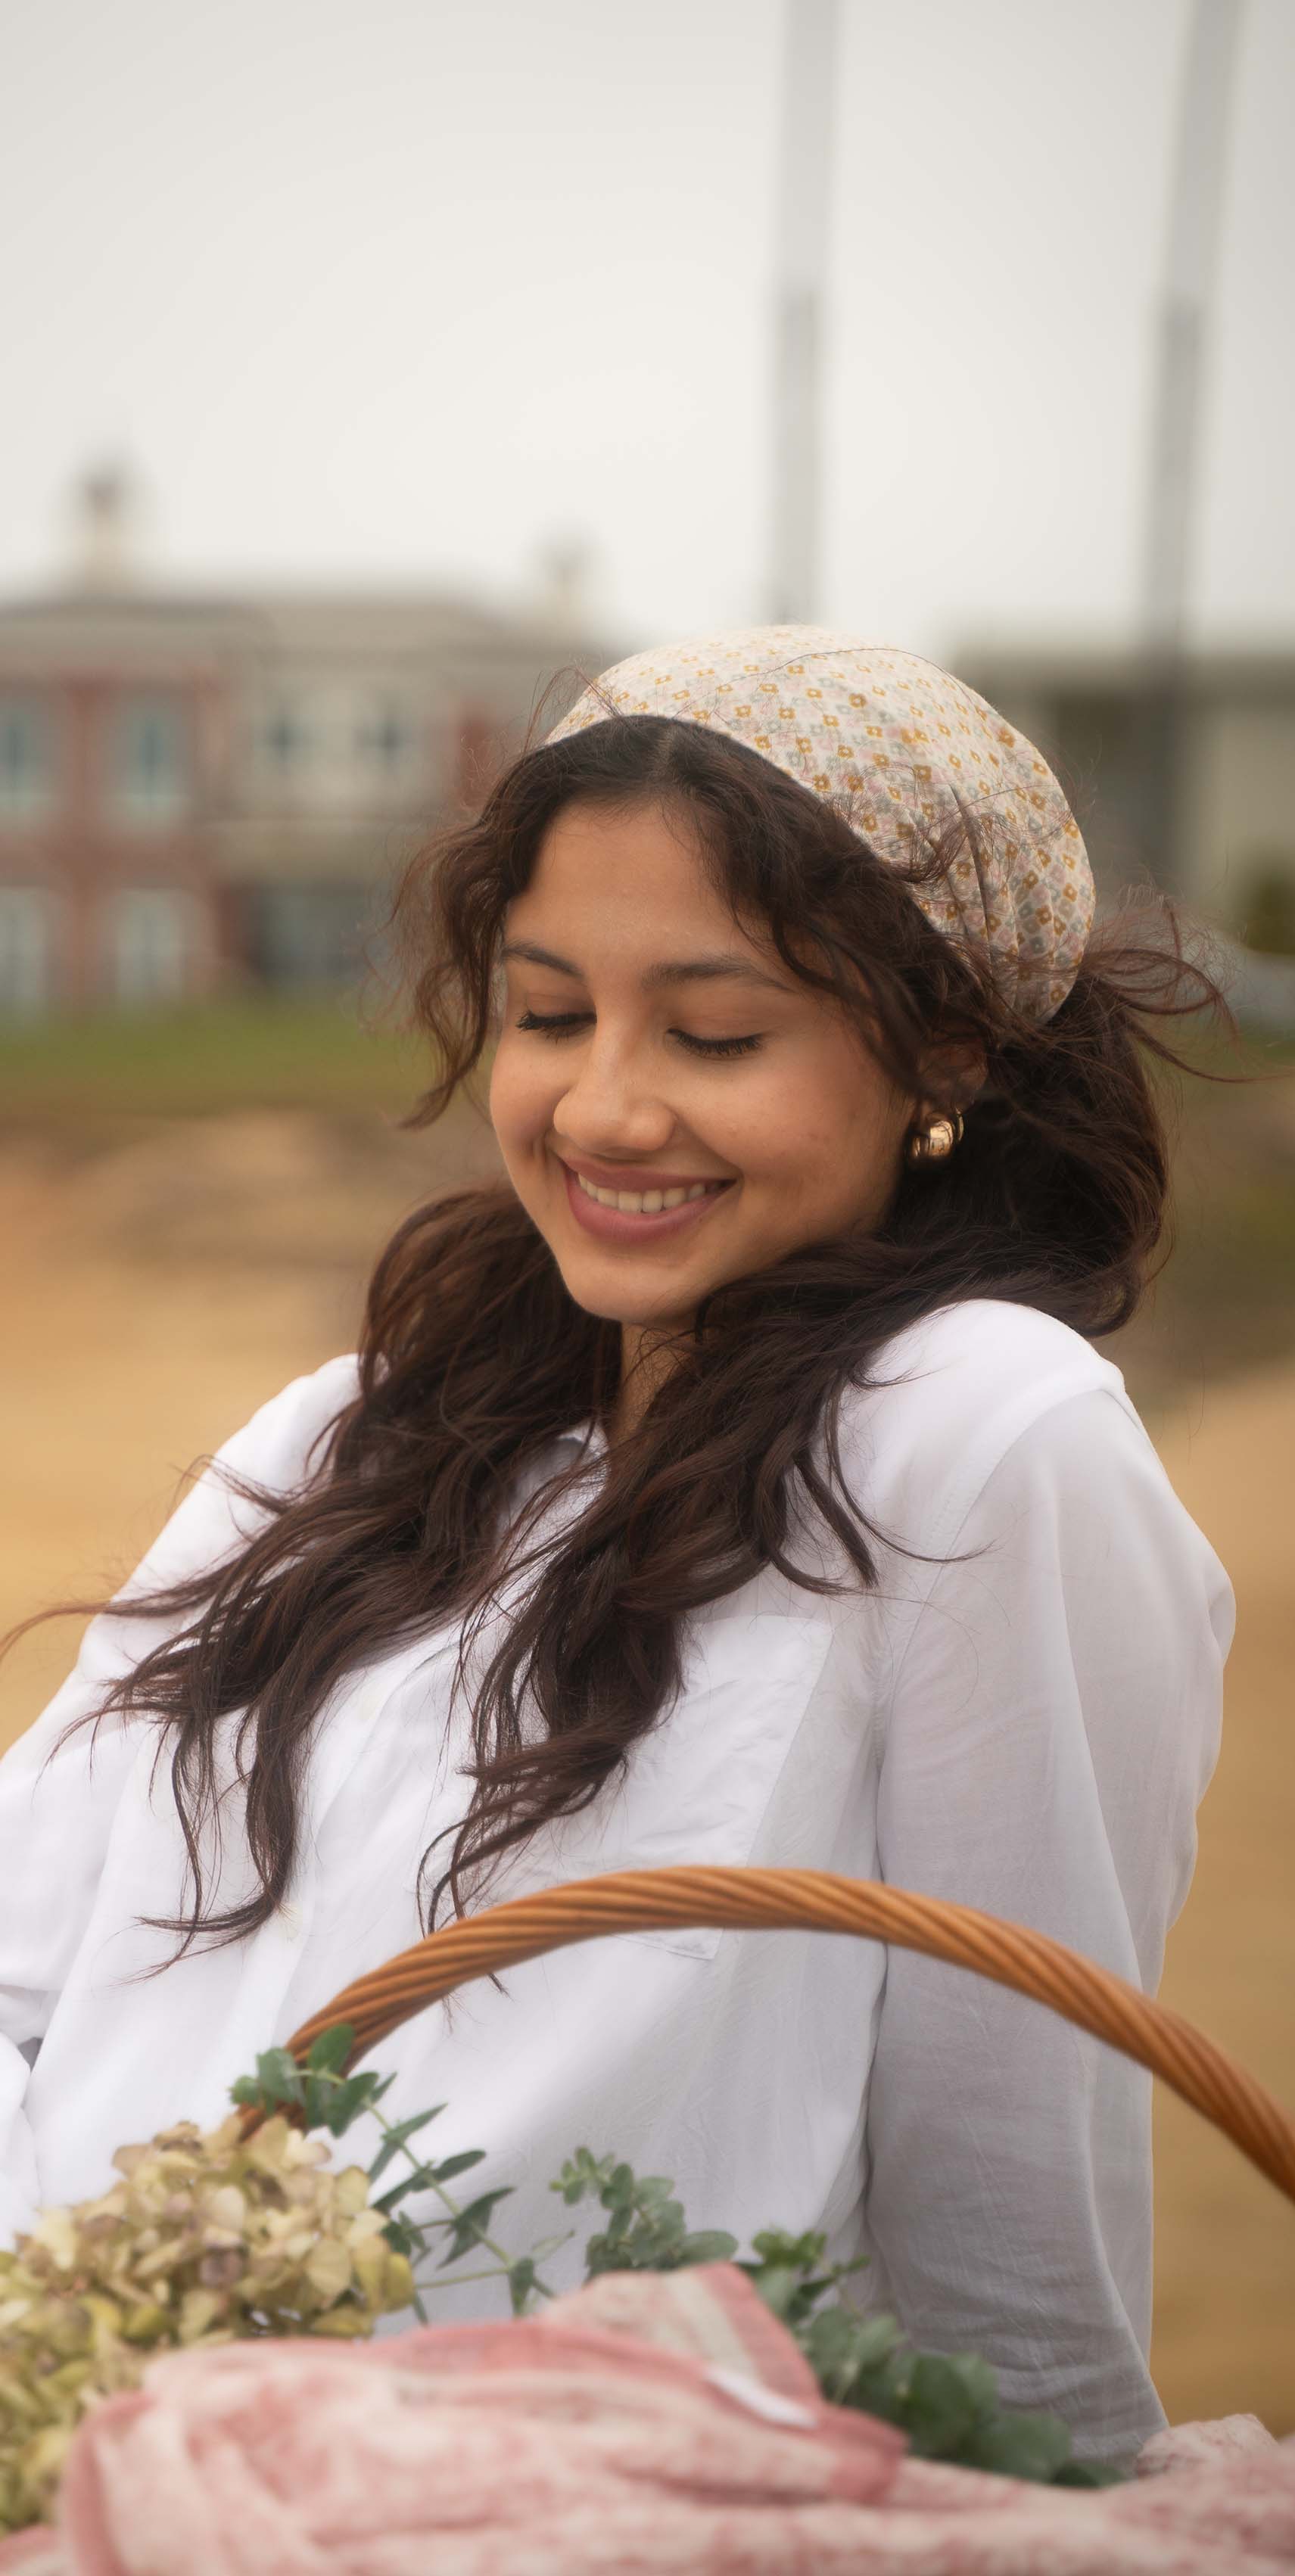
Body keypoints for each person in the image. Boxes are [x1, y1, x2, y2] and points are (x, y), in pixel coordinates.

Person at [0, 627, 1231, 2467]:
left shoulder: (978, 1438)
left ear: (945, 1044)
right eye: (550, 1012)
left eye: (715, 1031)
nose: (602, 1109)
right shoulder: (341, 1435)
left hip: (584, 2510)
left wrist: (1071, 2508)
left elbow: (1007, 2188)